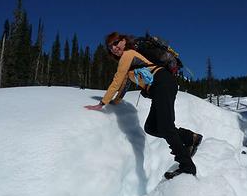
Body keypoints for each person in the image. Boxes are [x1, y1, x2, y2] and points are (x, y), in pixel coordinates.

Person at [85, 32, 202, 178]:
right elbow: (123, 86)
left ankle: (187, 166)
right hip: (161, 86)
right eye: (110, 47)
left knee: (166, 127)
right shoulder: (129, 63)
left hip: (162, 82)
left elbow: (116, 80)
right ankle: (190, 138)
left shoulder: (128, 55)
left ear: (123, 41)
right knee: (151, 127)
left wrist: (102, 103)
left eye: (116, 43)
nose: (114, 48)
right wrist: (115, 102)